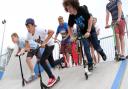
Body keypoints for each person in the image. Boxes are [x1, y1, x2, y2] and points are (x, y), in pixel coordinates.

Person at [63, 0, 107, 70]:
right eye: (67, 9)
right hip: (82, 33)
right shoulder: (71, 16)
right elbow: (69, 27)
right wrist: (71, 36)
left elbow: (90, 18)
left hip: (91, 30)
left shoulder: (81, 9)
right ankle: (90, 63)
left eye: (69, 8)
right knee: (86, 48)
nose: (68, 10)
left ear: (74, 5)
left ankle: (101, 52)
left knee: (96, 45)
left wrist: (88, 31)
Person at [25, 18, 62, 87]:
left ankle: (52, 77)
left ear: (33, 25)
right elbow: (27, 42)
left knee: (42, 61)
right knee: (52, 64)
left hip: (50, 45)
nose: (28, 29)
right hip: (46, 47)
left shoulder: (39, 29)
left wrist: (44, 42)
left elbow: (52, 32)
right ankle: (63, 59)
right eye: (27, 27)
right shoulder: (29, 34)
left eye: (29, 26)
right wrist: (27, 48)